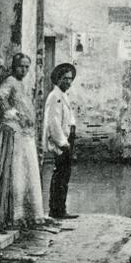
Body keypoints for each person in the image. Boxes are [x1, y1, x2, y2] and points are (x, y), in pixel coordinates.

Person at [0, 53, 45, 228]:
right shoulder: (10, 81)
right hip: (16, 133)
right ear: (14, 66)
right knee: (18, 171)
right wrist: (16, 115)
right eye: (20, 66)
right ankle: (16, 214)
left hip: (26, 134)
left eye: (26, 67)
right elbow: (0, 97)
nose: (23, 70)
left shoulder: (21, 84)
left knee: (28, 170)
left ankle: (29, 213)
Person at [43, 62, 78, 220]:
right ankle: (56, 209)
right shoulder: (55, 97)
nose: (68, 82)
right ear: (58, 79)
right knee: (60, 174)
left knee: (65, 174)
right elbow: (53, 122)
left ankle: (60, 207)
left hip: (68, 138)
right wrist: (63, 143)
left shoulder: (63, 96)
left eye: (70, 79)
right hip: (62, 141)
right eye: (65, 79)